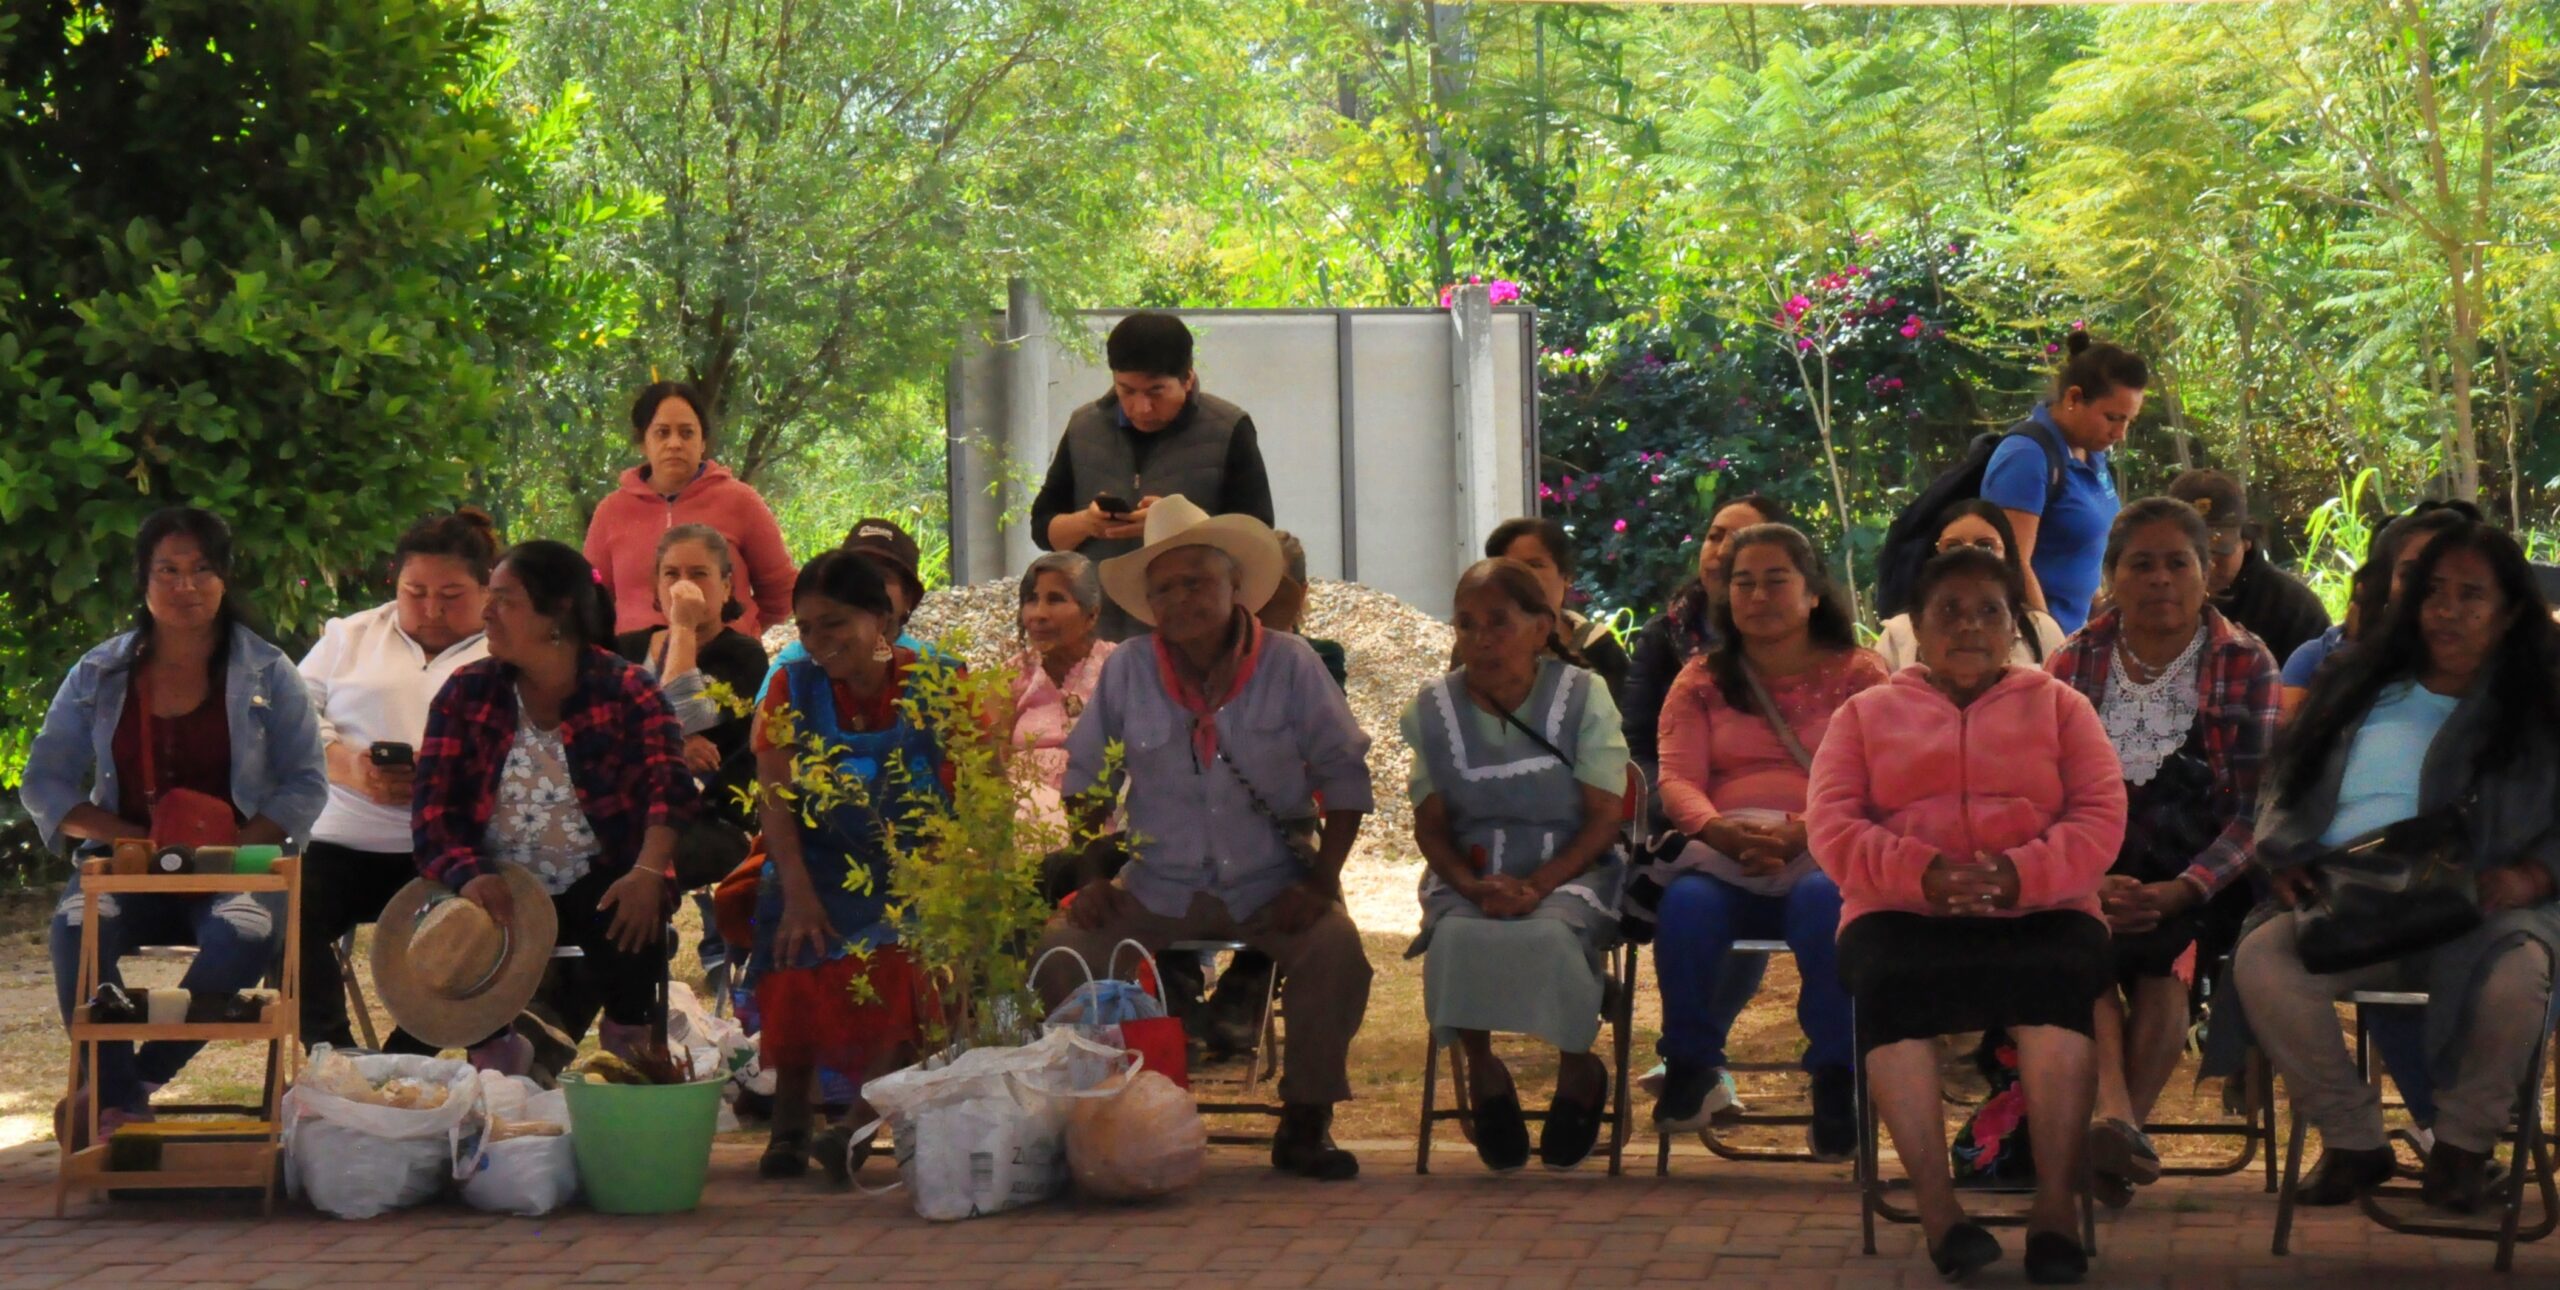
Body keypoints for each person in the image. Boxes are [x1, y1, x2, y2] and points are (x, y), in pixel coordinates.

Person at [1030, 497, 1375, 1180]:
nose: (1180, 599)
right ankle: (1109, 1113)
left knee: (1336, 951)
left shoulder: (1293, 664)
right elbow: (1088, 776)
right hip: (1159, 880)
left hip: (1272, 880)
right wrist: (1093, 878)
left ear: (1235, 588)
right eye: (1164, 588)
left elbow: (1345, 777)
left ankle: (1307, 1121)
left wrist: (1321, 881)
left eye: (1196, 582)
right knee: (1063, 949)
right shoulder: (1127, 668)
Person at [1808, 545, 2125, 1285]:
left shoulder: (2059, 706)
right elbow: (1830, 824)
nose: (1970, 626)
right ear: (1916, 625)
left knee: (2059, 986)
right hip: (1899, 908)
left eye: (1990, 611)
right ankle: (1940, 1213)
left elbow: (2102, 818)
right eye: (1949, 610)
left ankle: (2053, 1210)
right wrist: (1921, 873)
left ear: (2014, 625)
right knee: (1888, 987)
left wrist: (2019, 875)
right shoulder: (1864, 715)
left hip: (2042, 906)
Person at [2234, 519, 2560, 1216]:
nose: (2446, 609)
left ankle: (2463, 1150)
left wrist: (2537, 876)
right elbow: (2284, 783)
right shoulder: (2360, 680)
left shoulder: (2543, 702)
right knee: (2264, 961)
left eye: (2471, 595)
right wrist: (2286, 854)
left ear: (2509, 611)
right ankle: (2356, 1142)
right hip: (2354, 902)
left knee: (2520, 976)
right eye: (2433, 591)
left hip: (2485, 905)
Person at [28, 508, 328, 1147]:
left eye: (202, 570)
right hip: (128, 862)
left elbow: (307, 782)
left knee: (245, 934)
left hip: (237, 861)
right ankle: (118, 1097)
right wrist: (127, 837)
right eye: (168, 570)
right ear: (143, 580)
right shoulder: (99, 674)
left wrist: (236, 850)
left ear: (225, 581)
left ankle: (128, 1087)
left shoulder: (270, 673)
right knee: (76, 928)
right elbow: (45, 783)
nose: (185, 586)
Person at [2044, 498, 2280, 1209]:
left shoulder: (2246, 660)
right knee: (2079, 935)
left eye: (2178, 562)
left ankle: (2115, 1129)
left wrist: (2185, 887)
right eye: (2139, 564)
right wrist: (2089, 875)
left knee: (2166, 958)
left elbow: (2255, 812)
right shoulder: (2071, 660)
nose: (2159, 579)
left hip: (2203, 869)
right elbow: (2043, 795)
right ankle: (2115, 1124)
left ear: (2206, 575)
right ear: (2112, 575)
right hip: (2087, 865)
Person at [411, 541, 698, 1074]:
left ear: (558, 610)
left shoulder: (627, 689)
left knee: (631, 907)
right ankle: (501, 1057)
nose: (487, 613)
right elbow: (432, 813)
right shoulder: (468, 692)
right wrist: (469, 874)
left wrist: (648, 870)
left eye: (505, 600)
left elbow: (670, 787)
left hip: (604, 879)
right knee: (463, 935)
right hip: (499, 888)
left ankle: (631, 1057)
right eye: (489, 599)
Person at [1647, 524, 1885, 1155]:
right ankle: (1692, 1067)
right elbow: (1677, 780)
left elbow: (1880, 775)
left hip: (1827, 845)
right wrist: (1721, 832)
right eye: (1742, 582)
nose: (1757, 595)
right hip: (1724, 854)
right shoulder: (1699, 679)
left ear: (1812, 594)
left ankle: (1837, 1078)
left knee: (1823, 906)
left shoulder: (1864, 675)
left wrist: (1806, 831)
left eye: (1776, 579)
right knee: (1686, 909)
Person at [1405, 558, 1632, 1172]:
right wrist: (1475, 887)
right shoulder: (1431, 709)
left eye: (1498, 623)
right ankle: (1483, 1074)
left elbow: (1604, 817)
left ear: (1541, 627)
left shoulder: (1585, 696)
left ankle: (1577, 1067)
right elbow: (1430, 826)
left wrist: (1536, 885)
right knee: (1455, 937)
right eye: (1467, 623)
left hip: (1573, 866)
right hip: (1470, 874)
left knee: (1552, 935)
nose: (1481, 639)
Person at [748, 551, 957, 1182]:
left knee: (907, 963)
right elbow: (775, 801)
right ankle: (788, 1125)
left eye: (834, 624)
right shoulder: (792, 684)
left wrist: (939, 886)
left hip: (919, 867)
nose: (818, 642)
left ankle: (854, 1129)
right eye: (806, 629)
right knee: (794, 949)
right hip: (813, 863)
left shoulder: (940, 681)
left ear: (882, 619)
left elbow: (975, 793)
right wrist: (801, 895)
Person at [294, 510, 497, 1051]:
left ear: (486, 589)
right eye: (415, 592)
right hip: (342, 842)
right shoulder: (350, 635)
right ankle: (332, 1057)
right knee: (281, 911)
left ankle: (409, 1057)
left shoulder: (506, 649)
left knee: (485, 929)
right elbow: (284, 716)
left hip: (454, 850)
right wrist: (350, 766)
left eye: (452, 594)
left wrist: (440, 781)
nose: (431, 609)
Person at [1029, 313, 1276, 642]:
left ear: (1187, 379)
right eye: (1126, 390)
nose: (1141, 407)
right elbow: (1043, 527)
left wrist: (1174, 526)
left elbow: (1256, 534)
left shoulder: (1228, 427)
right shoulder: (1084, 427)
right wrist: (1088, 522)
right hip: (1097, 632)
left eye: (1156, 392)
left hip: (1194, 630)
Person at [614, 524, 768, 884]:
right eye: (672, 574)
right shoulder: (624, 650)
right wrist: (674, 745)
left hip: (712, 821)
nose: (683, 586)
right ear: (656, 585)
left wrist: (683, 626)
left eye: (699, 574)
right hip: (630, 812)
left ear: (727, 586)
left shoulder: (743, 656)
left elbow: (682, 711)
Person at [583, 380, 796, 635]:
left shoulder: (741, 501)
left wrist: (742, 631)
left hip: (724, 664)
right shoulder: (611, 511)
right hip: (638, 666)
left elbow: (781, 592)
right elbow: (592, 599)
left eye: (687, 433)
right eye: (662, 433)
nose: (674, 444)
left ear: (703, 441)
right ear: (643, 442)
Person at [1984, 332, 2148, 634]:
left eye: (2128, 421)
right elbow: (2011, 562)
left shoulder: (2090, 453)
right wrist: (2049, 643)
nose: (2120, 433)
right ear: (2074, 398)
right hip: (2033, 644)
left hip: (2077, 636)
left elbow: (2082, 548)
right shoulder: (2026, 457)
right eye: (2113, 417)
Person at [2281, 502, 2477, 716]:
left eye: (2467, 590)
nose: (2428, 592)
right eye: (2411, 576)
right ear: (2383, 586)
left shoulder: (2495, 683)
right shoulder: (2327, 658)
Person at [1876, 501, 2065, 671]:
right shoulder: (1897, 635)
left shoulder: (2042, 629)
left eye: (1986, 546)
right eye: (1953, 546)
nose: (1969, 555)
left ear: (2008, 557)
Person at [2167, 470, 2329, 665]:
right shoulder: (2148, 600)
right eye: (2186, 556)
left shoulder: (2294, 608)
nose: (2206, 565)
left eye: (2218, 550)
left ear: (2246, 539)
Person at [1008, 551, 1116, 833]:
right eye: (1031, 600)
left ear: (1091, 615)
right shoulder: (1012, 676)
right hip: (1023, 827)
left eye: (1055, 599)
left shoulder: (1117, 668)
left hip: (1105, 821)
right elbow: (987, 762)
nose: (1038, 614)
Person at [766, 517, 941, 680]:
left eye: (882, 575)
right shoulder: (794, 666)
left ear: (908, 598)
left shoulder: (937, 671)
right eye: (853, 577)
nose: (868, 585)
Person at [1480, 517, 1630, 702]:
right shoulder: (1477, 645)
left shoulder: (1599, 648)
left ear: (1566, 576)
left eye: (1535, 565)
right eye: (1513, 569)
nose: (1524, 577)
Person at [1262, 530, 1346, 689]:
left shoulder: (1322, 656)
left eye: (1277, 587)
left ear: (1301, 592)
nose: (1264, 598)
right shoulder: (1225, 656)